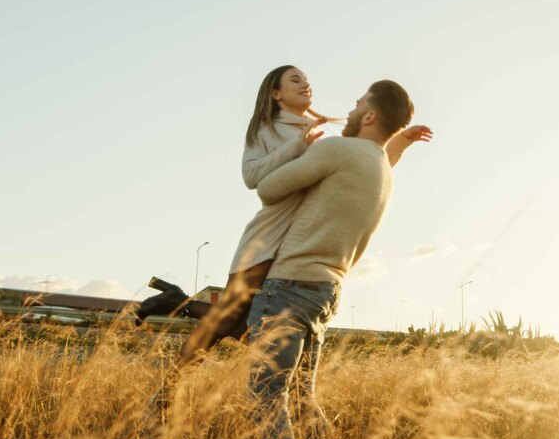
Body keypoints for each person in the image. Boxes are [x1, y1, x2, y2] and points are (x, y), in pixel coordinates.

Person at [164, 66, 430, 367]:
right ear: (275, 93)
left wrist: (400, 141)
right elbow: (252, 178)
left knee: (253, 327)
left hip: (299, 239)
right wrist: (297, 145)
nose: (306, 84)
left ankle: (179, 308)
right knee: (227, 321)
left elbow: (356, 171)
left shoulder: (323, 133)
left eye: (306, 79)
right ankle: (168, 386)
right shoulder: (266, 128)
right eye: (295, 79)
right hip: (270, 232)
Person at [245, 79, 413, 439]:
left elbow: (267, 188)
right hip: (326, 291)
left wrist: (299, 144)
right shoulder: (382, 169)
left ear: (370, 115)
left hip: (289, 287)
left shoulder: (339, 149)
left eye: (357, 105)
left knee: (267, 401)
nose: (350, 111)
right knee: (304, 399)